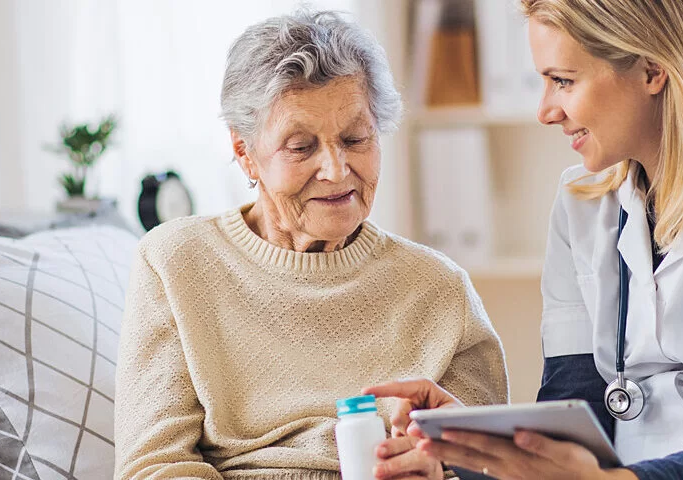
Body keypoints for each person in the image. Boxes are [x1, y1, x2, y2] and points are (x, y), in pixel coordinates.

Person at [367, 0, 683, 479]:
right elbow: (577, 411)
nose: (546, 110)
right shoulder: (582, 204)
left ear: (652, 69)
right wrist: (470, 446)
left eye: (563, 81)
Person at [114, 9, 508, 480]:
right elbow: (155, 467)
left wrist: (445, 470)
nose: (337, 170)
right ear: (245, 153)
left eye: (356, 138)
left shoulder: (440, 290)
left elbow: (493, 467)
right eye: (301, 147)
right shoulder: (176, 263)